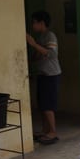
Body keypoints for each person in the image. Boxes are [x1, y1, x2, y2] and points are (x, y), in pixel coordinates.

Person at [26, 10, 62, 145]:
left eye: (34, 22)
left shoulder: (50, 36)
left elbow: (52, 54)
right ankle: (45, 130)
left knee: (48, 105)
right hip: (42, 74)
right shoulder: (41, 36)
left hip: (51, 75)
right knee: (42, 104)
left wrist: (33, 44)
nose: (33, 25)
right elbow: (38, 55)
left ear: (41, 23)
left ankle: (53, 132)